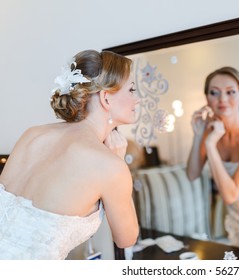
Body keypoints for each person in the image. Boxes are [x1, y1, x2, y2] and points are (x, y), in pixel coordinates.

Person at [0, 50, 139, 259]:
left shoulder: (32, 134)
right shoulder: (109, 166)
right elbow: (126, 239)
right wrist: (118, 161)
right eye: (132, 90)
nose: (137, 99)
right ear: (106, 98)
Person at [186, 66, 239, 250]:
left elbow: (231, 195)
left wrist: (211, 145)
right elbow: (192, 174)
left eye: (230, 92)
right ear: (207, 99)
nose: (222, 99)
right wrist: (199, 136)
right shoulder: (210, 132)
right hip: (235, 223)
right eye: (214, 92)